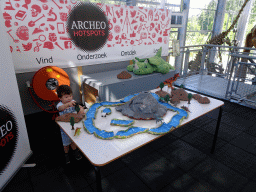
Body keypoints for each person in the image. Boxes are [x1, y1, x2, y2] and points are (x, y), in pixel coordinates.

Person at [56, 85, 85, 164]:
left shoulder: (73, 101)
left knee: (73, 139)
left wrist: (80, 109)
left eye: (70, 96)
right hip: (64, 126)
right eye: (66, 97)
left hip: (73, 123)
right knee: (66, 143)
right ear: (60, 98)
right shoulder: (59, 105)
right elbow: (60, 109)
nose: (69, 98)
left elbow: (78, 109)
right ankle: (66, 154)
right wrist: (68, 105)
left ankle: (75, 151)